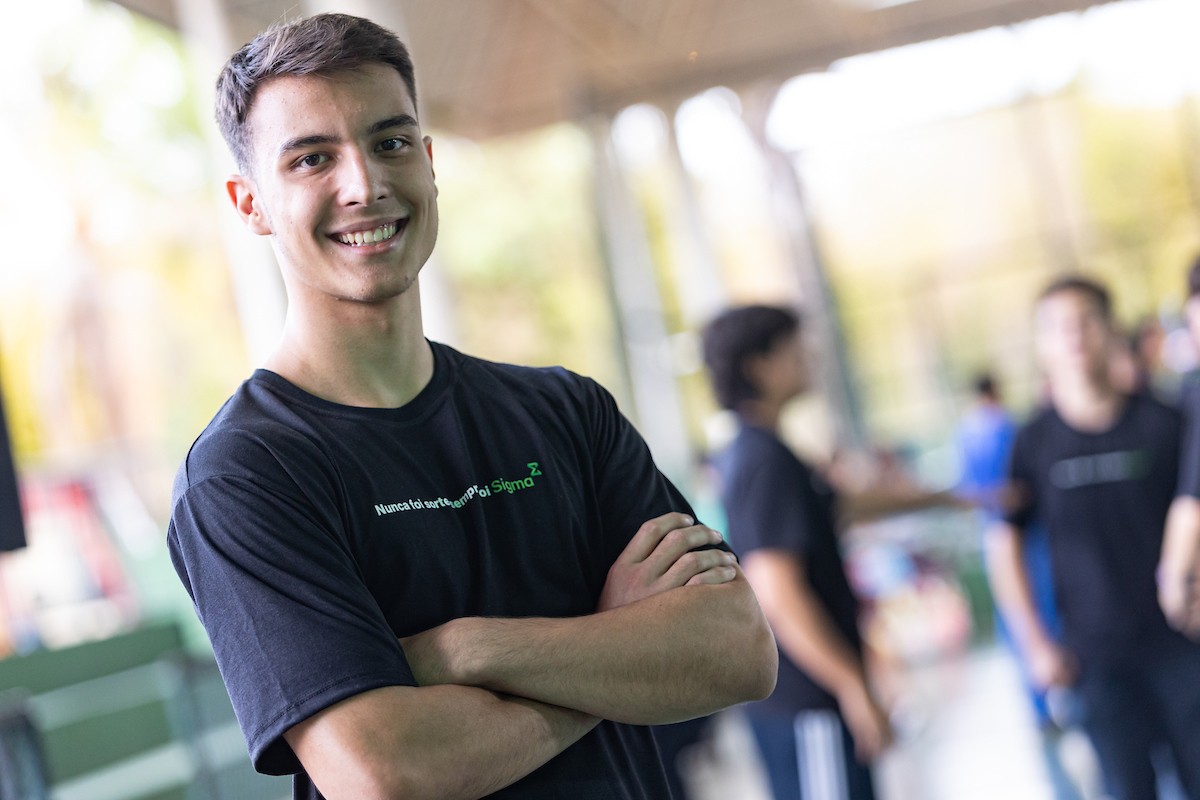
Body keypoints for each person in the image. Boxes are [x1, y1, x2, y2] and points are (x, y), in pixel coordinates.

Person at [166, 14, 777, 800]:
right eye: (313, 158)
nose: (364, 185)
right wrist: (610, 649)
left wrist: (467, 648)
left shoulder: (564, 412)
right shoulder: (244, 477)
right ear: (249, 201)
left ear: (427, 160)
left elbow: (737, 650)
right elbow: (386, 774)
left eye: (389, 143)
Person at [985, 275, 1200, 800]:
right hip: (1093, 657)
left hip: (1180, 643)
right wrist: (1036, 644)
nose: (1075, 337)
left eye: (1087, 321)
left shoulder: (1167, 422)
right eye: (1059, 327)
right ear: (1042, 346)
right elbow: (1003, 546)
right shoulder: (1031, 442)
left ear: (1111, 331)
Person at [701, 305, 891, 800]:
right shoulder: (764, 461)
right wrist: (853, 685)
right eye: (794, 349)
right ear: (758, 365)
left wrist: (955, 496)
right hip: (806, 700)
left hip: (805, 697)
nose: (809, 358)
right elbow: (779, 593)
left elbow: (840, 502)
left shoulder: (766, 452)